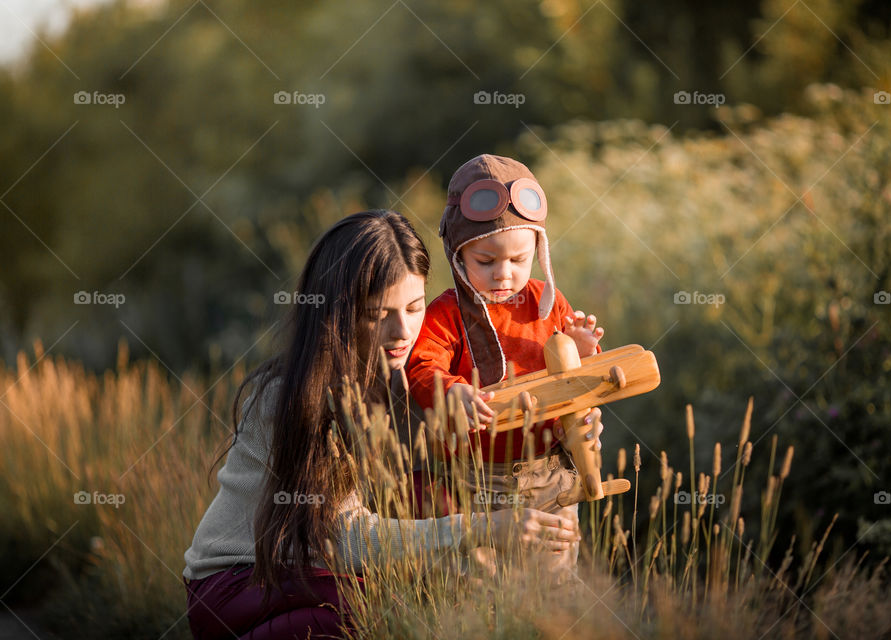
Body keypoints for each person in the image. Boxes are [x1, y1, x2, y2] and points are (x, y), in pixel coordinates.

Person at [181, 210, 591, 639]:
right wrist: (486, 529)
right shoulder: (289, 395)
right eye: (379, 313)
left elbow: (461, 478)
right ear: (338, 312)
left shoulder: (410, 379)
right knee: (390, 607)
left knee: (434, 507)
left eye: (414, 308)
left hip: (320, 576)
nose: (402, 331)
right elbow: (347, 540)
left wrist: (564, 434)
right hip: (240, 585)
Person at [405, 154, 605, 568]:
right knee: (477, 585)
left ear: (538, 250)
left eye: (518, 260)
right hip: (472, 479)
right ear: (458, 254)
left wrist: (582, 351)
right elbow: (422, 366)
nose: (504, 275)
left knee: (551, 580)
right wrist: (451, 391)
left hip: (548, 468)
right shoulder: (447, 314)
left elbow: (578, 380)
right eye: (486, 261)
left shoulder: (545, 304)